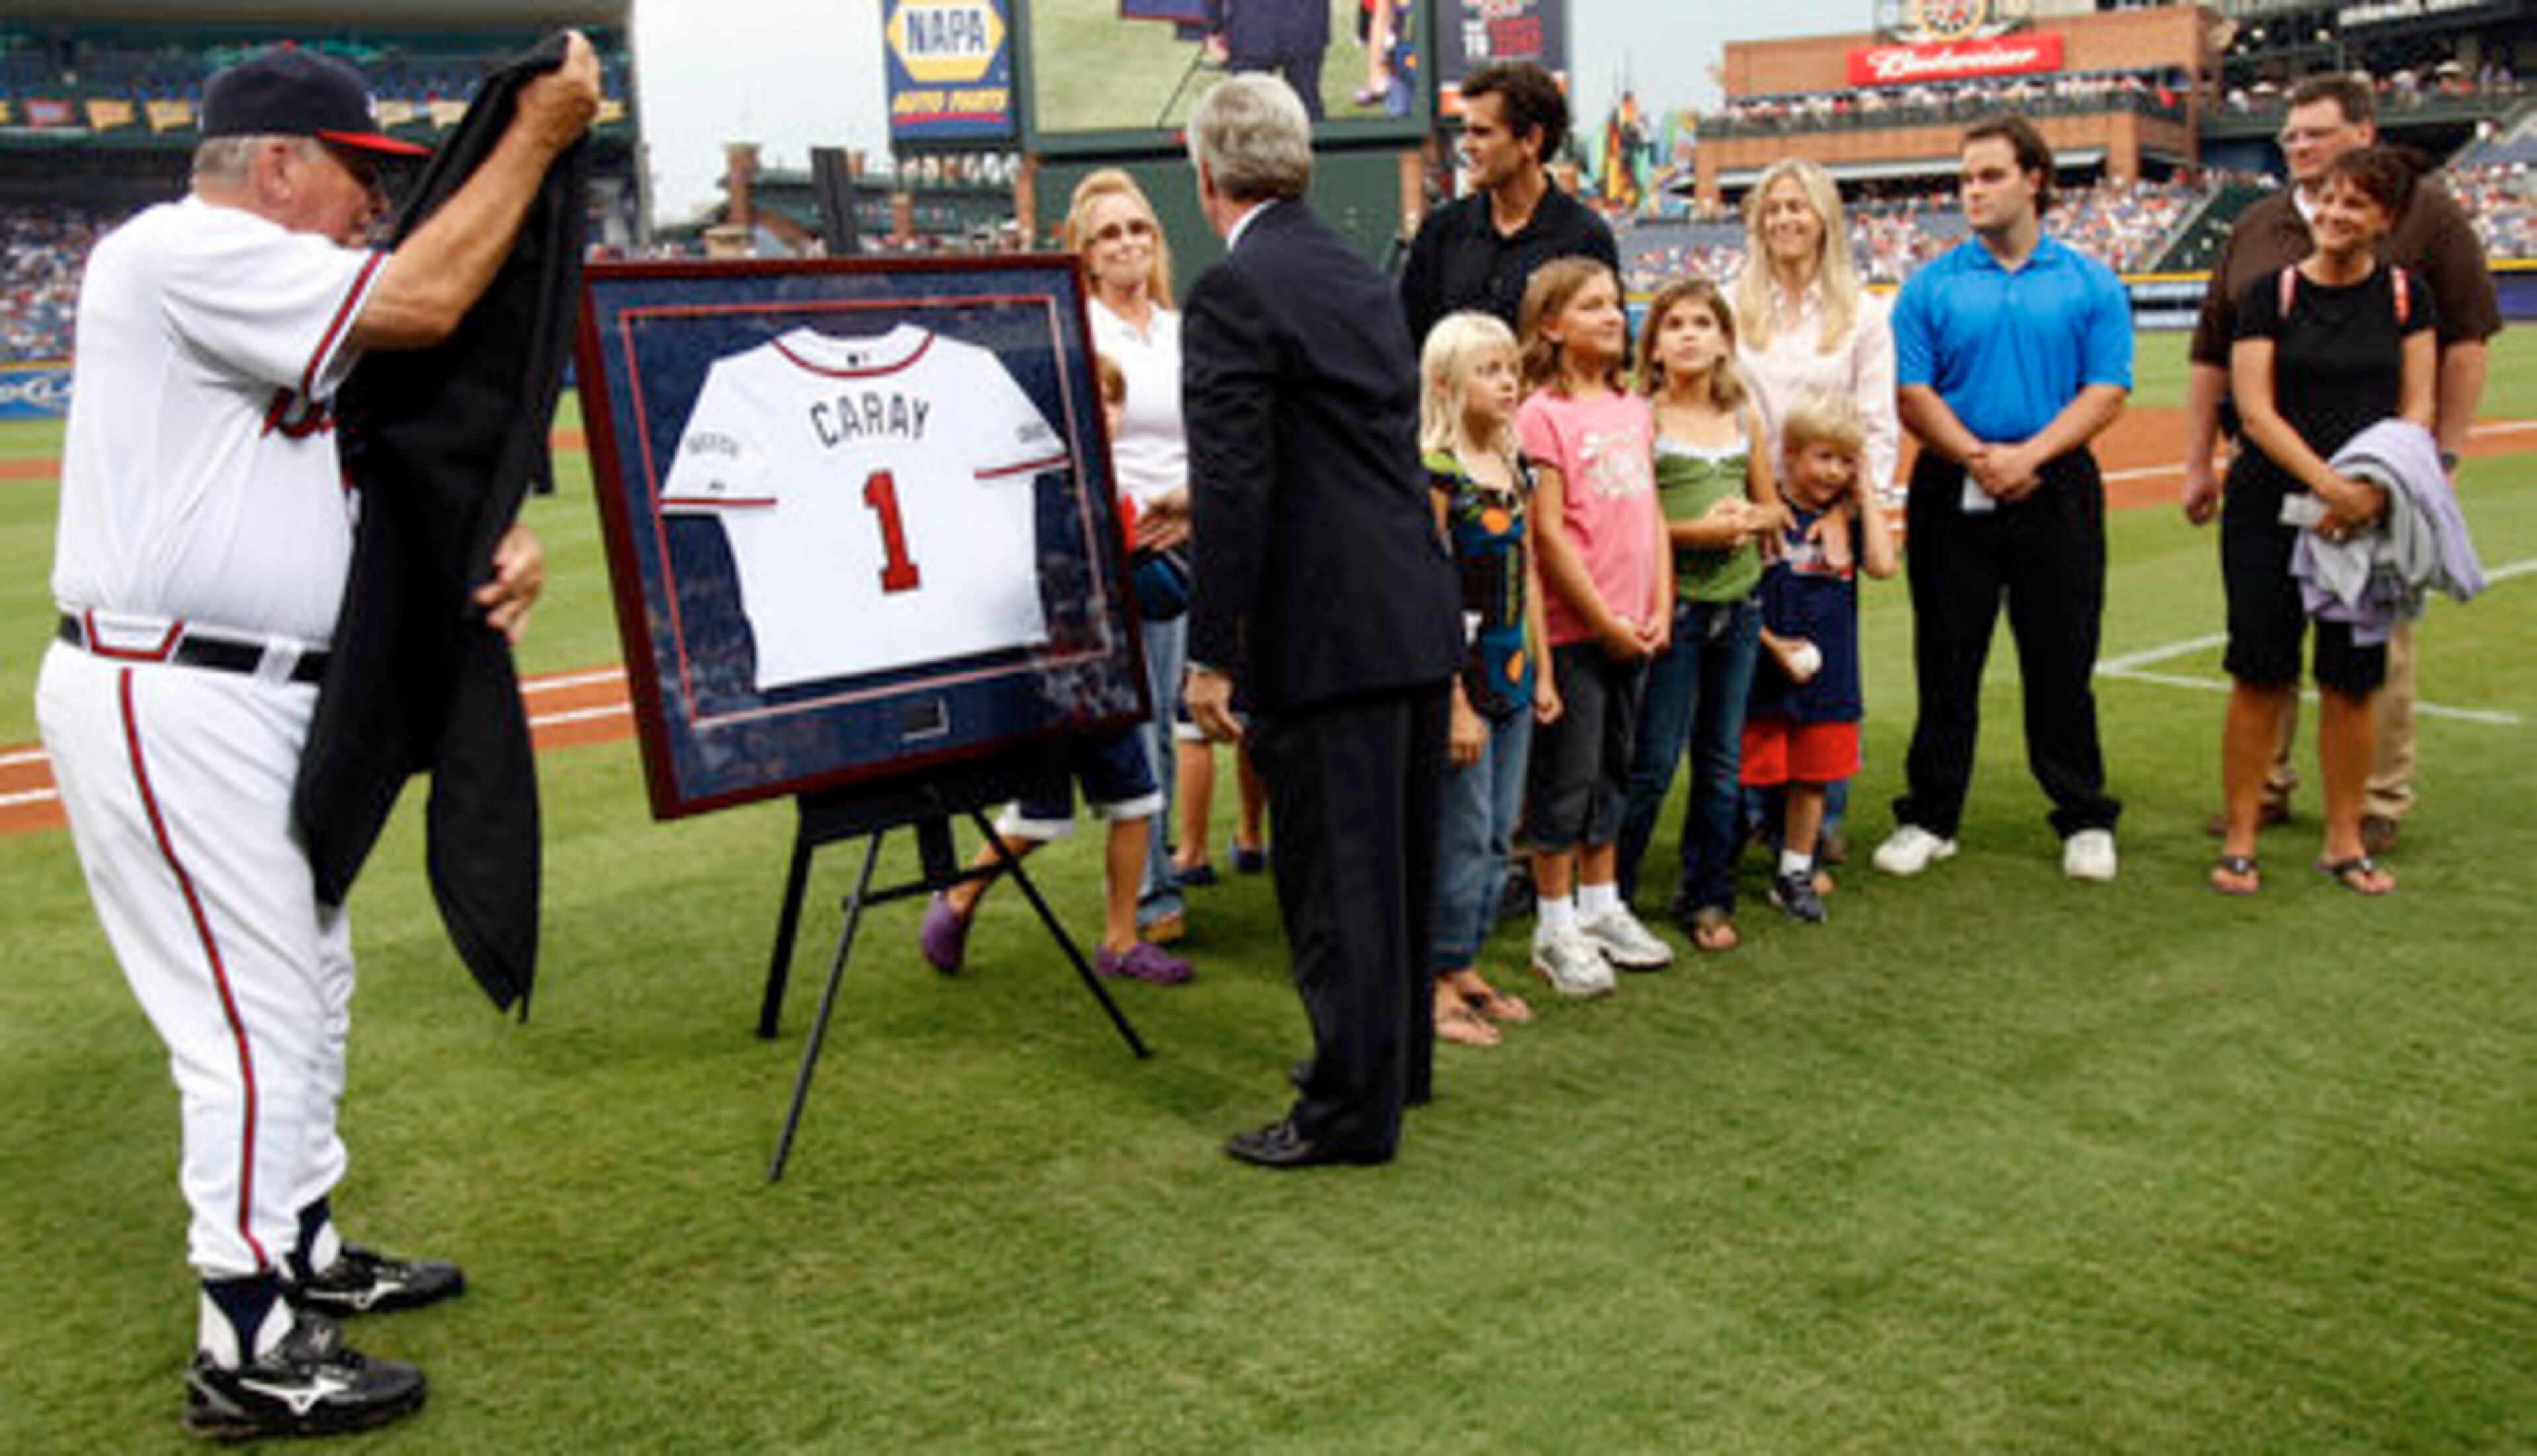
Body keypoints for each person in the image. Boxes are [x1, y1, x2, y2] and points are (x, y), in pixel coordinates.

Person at [36, 40, 597, 1439]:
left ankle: (301, 1242)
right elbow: (424, 297)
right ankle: (245, 1338)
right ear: (276, 164)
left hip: (265, 692)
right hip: (173, 689)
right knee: (250, 1013)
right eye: (358, 178)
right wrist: (531, 139)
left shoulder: (255, 292)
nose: (369, 207)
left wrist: (500, 537)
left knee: (308, 980)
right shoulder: (174, 251)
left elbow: (372, 478)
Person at [1179, 75, 1463, 1169]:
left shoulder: (1235, 290)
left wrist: (1212, 650)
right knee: (1396, 860)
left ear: (1207, 176)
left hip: (1324, 625)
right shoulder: (1352, 268)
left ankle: (1349, 1110)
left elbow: (1240, 479)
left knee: (1338, 879)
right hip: (1403, 603)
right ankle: (1397, 1074)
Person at [2180, 73, 2499, 858]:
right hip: (2276, 487)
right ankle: (2264, 797)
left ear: (2362, 134)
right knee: (2262, 659)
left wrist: (2424, 465)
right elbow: (2215, 358)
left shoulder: (2426, 235)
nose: (2299, 149)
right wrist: (2200, 462)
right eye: (2290, 137)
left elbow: (2460, 347)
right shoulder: (2257, 229)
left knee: (2366, 666)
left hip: (2372, 492)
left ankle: (2370, 809)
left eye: (2314, 135)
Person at [1876, 114, 2131, 883]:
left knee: (2063, 654)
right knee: (1946, 657)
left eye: (1989, 175)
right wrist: (1978, 456)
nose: (1973, 191)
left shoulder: (2089, 281)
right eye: (1966, 178)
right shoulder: (1932, 284)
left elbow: (2108, 388)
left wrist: (2029, 456)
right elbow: (1913, 393)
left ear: (2035, 180)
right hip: (1953, 482)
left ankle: (2083, 814)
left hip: (2056, 486)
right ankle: (1930, 814)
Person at [916, 357, 1198, 985]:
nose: (1108, 413)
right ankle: (959, 897)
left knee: (1136, 799)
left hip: (1105, 670)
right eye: (1094, 400)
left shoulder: (1115, 487)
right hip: (1049, 674)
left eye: (1115, 401)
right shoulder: (1032, 486)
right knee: (1039, 814)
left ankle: (1121, 939)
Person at [2207, 147, 2437, 898]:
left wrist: (2369, 490)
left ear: (2388, 220)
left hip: (2363, 517)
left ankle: (2344, 840)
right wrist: (2331, 486)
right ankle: (2241, 837)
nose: (2336, 216)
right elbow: (2256, 410)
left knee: (2350, 680)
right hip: (2269, 510)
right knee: (2260, 673)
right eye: (2329, 200)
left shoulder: (2407, 296)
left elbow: (2419, 403)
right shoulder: (2270, 295)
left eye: (2357, 205)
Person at [1730, 158, 1901, 871]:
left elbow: (1875, 424)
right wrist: (1755, 503)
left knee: (1821, 660)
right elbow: (1724, 407)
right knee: (1749, 651)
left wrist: (1851, 513)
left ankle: (1815, 817)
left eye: (1798, 208)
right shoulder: (1733, 305)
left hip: (1824, 512)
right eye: (1773, 209)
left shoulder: (1861, 314)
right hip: (1745, 504)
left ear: (1825, 218)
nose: (1785, 220)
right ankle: (1748, 810)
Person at [1514, 256, 1675, 996]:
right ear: (1551, 325)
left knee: (1616, 770)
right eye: (1591, 306)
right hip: (1578, 630)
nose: (1614, 315)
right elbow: (1547, 535)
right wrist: (1603, 618)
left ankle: (1602, 903)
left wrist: (1660, 605)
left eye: (1615, 303)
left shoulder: (1634, 408)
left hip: (1635, 627)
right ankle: (1554, 925)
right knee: (1565, 779)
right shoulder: (1540, 415)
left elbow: (1652, 520)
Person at [1613, 279, 1779, 954]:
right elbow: (1631, 520)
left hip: (1738, 606)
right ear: (1652, 344)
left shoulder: (1743, 419)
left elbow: (1773, 506)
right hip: (1671, 606)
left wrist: (1749, 516)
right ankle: (1611, 893)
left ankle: (1707, 891)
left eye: (1702, 323)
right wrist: (1695, 532)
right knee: (1651, 760)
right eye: (1674, 324)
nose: (1688, 334)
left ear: (1723, 341)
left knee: (1720, 759)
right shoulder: (1640, 418)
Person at [1419, 310, 1559, 1047]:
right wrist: (1453, 698)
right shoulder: (1435, 473)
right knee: (1462, 833)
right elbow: (1425, 587)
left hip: (1512, 668)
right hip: (1462, 679)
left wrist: (1544, 669)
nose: (1507, 382)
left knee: (1501, 833)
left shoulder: (1516, 464)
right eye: (1488, 370)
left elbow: (1530, 568)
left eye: (1511, 368)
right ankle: (1436, 977)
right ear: (1444, 382)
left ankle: (1465, 961)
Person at [1060, 170, 1191, 944]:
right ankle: (1147, 895)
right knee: (1141, 720)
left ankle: (1178, 865)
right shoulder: (1078, 329)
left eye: (1138, 228)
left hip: (1196, 534)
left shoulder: (1178, 329)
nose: (1127, 244)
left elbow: (1220, 433)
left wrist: (1193, 503)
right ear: (1084, 252)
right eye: (1109, 234)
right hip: (1126, 552)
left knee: (1185, 714)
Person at [1743, 393, 1898, 923]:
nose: (1834, 471)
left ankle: (1794, 871)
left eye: (1845, 460)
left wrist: (1864, 495)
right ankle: (1721, 863)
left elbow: (1882, 565)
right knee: (1750, 772)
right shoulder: (1769, 513)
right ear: (1790, 453)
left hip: (1829, 678)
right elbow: (1740, 594)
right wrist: (1769, 644)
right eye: (1823, 457)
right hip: (1763, 672)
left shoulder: (1848, 520)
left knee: (1813, 777)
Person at [1398, 60, 1619, 346]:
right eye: (1465, 131)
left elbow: (1608, 350)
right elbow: (1406, 344)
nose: (1466, 146)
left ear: (1531, 140)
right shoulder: (1441, 231)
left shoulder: (1584, 236)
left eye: (1482, 133)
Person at [1204, 0, 1331, 121]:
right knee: (1306, 103)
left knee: (1248, 109)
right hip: (1305, 26)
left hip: (1251, 28)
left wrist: (1214, 27)